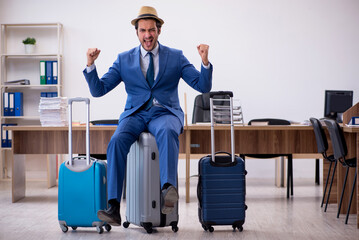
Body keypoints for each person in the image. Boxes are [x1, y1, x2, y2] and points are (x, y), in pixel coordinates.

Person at [83, 6, 213, 226]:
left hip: (165, 112)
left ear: (159, 30)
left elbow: (202, 85)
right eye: (142, 30)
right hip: (135, 114)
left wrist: (205, 61)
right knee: (116, 141)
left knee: (167, 130)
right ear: (137, 32)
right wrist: (90, 64)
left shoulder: (176, 56)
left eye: (151, 30)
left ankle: (167, 191)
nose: (147, 35)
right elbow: (99, 90)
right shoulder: (124, 60)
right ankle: (113, 207)